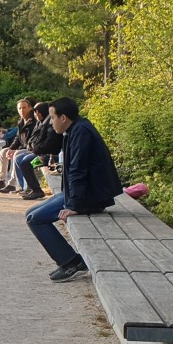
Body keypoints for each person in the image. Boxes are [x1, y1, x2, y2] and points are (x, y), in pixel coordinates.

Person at [26, 97, 122, 282]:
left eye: (52, 118)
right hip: (81, 192)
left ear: (63, 118)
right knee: (30, 213)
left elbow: (78, 170)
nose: (50, 122)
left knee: (36, 220)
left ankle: (72, 263)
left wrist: (74, 205)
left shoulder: (81, 132)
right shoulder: (76, 128)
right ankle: (70, 261)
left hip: (90, 196)